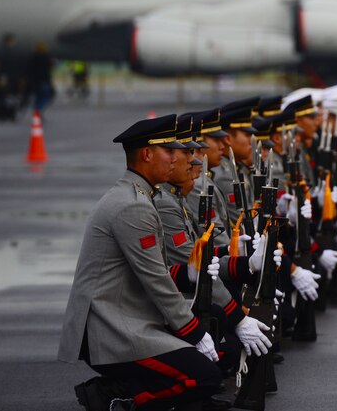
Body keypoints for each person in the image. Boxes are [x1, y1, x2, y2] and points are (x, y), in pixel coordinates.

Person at [57, 114, 225, 411]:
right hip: (115, 330)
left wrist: (190, 274)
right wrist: (195, 333)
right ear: (147, 154)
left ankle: (122, 390)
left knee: (205, 378)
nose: (177, 159)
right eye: (169, 151)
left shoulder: (139, 196)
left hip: (128, 318)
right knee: (204, 377)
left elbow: (155, 272)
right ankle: (122, 400)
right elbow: (157, 283)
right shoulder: (133, 206)